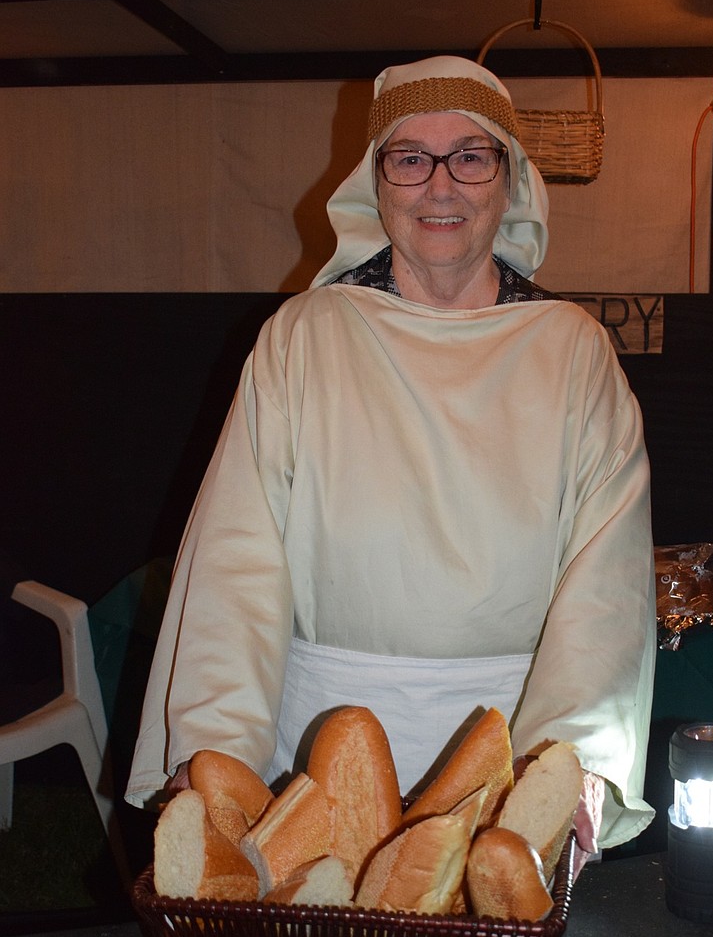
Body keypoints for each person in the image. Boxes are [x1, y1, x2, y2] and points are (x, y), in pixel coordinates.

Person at [126, 55, 656, 877]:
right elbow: (237, 563)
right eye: (410, 158)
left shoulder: (573, 353)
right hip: (314, 756)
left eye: (470, 156)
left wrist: (567, 767)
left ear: (509, 183)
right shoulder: (304, 338)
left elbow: (606, 586)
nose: (439, 186)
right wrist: (209, 756)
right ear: (376, 186)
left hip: (505, 756)